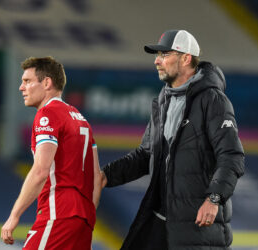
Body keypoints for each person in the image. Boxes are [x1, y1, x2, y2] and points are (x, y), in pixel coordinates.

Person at [101, 29, 245, 249]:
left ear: (186, 58)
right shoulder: (163, 101)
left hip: (197, 229)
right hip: (161, 225)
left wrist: (214, 198)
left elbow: (231, 156)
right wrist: (105, 176)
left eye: (165, 55)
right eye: (157, 56)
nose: (157, 61)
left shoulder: (213, 100)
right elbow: (146, 155)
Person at [1, 57, 102, 250]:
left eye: (27, 81)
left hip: (59, 212)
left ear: (47, 82)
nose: (21, 88)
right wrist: (87, 217)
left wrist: (14, 216)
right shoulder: (82, 121)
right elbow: (96, 178)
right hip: (83, 219)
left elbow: (40, 170)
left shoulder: (47, 115)